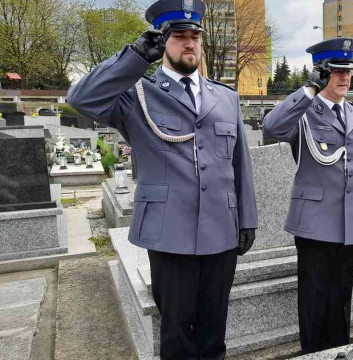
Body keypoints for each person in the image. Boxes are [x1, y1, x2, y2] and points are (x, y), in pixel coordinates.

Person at [67, 0, 258, 358]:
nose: (189, 44)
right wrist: (136, 56)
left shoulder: (226, 97)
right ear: (162, 41)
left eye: (195, 36)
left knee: (214, 331)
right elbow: (81, 98)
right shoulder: (136, 94)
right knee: (176, 335)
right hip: (171, 235)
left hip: (222, 231)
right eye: (179, 36)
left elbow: (239, 165)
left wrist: (247, 219)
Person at [263, 37, 353, 354]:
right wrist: (307, 91)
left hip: (352, 227)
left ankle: (338, 353)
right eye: (336, 71)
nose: (345, 77)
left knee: (342, 300)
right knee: (315, 302)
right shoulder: (303, 113)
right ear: (320, 72)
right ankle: (315, 355)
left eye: (349, 71)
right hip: (316, 227)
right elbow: (271, 128)